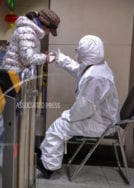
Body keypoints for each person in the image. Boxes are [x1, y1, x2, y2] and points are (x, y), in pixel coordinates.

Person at [37, 35, 120, 178]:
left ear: (85, 53)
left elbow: (84, 109)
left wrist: (67, 116)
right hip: (101, 117)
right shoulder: (98, 67)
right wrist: (60, 58)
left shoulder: (96, 77)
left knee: (59, 127)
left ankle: (48, 167)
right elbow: (78, 70)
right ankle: (47, 156)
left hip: (101, 123)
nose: (77, 53)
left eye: (79, 50)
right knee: (61, 123)